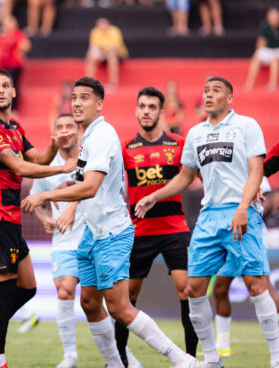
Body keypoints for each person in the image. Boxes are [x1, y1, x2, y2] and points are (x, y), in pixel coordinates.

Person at [22, 77, 199, 368]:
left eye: (85, 98)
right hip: (91, 234)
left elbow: (91, 186)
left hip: (112, 233)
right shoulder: (88, 137)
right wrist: (67, 197)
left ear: (99, 103)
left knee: (119, 307)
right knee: (89, 303)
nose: (77, 103)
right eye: (75, 98)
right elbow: (84, 183)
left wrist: (47, 196)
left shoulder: (103, 135)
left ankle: (183, 360)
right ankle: (117, 365)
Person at [135, 77, 279, 368]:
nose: (209, 95)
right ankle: (212, 359)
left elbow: (256, 172)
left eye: (217, 91)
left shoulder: (247, 126)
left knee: (255, 285)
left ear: (230, 98)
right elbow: (186, 177)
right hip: (209, 216)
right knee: (194, 288)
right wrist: (154, 196)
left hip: (243, 212)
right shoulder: (196, 133)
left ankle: (276, 359)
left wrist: (242, 206)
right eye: (206, 91)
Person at [0, 69, 75, 368]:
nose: (0, 90)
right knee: (7, 287)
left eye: (5, 86)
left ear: (13, 93)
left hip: (10, 218)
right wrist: (62, 169)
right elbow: (21, 167)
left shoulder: (14, 126)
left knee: (28, 288)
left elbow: (36, 159)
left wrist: (54, 146)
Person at [112, 87, 198, 366]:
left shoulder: (179, 143)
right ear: (136, 110)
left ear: (162, 112)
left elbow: (202, 175)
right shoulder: (125, 148)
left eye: (152, 106)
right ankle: (120, 358)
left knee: (187, 290)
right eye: (142, 106)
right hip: (138, 232)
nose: (147, 111)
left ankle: (191, 358)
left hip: (174, 229)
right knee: (127, 297)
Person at [31, 113, 82, 368]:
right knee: (64, 291)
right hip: (63, 241)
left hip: (94, 238)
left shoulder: (91, 158)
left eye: (69, 127)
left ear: (78, 130)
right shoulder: (47, 166)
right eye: (59, 127)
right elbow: (34, 201)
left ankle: (121, 352)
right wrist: (43, 218)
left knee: (105, 301)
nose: (64, 131)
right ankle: (70, 355)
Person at [211, 178, 278, 359]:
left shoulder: (254, 168)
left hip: (251, 236)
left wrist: (247, 219)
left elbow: (270, 202)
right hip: (229, 235)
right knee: (219, 288)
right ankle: (222, 345)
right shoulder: (224, 169)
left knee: (263, 288)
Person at [0, 16, 31, 106]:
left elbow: (26, 46)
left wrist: (19, 52)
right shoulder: (1, 36)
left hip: (14, 65)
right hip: (3, 65)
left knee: (12, 85)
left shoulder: (18, 35)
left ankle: (13, 107)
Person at [84, 18, 127, 90]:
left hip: (117, 55)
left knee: (112, 56)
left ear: (108, 24)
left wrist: (104, 54)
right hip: (102, 55)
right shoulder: (95, 32)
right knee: (90, 56)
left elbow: (116, 48)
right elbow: (92, 47)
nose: (102, 27)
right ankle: (89, 82)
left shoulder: (114, 31)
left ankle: (113, 83)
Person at [246, 7, 279, 91]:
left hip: (277, 51)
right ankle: (249, 83)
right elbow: (260, 43)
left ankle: (272, 84)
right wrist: (261, 56)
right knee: (256, 57)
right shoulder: (265, 27)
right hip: (269, 50)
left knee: (274, 59)